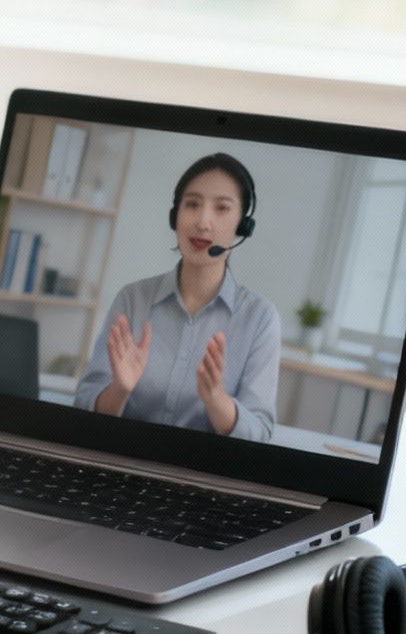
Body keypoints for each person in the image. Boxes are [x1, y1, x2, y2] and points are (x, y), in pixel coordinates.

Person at [73, 153, 280, 440]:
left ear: (242, 226)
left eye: (221, 208)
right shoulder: (133, 299)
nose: (203, 222)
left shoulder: (260, 318)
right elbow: (84, 402)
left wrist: (216, 400)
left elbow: (260, 433)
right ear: (176, 216)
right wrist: (119, 388)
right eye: (192, 204)